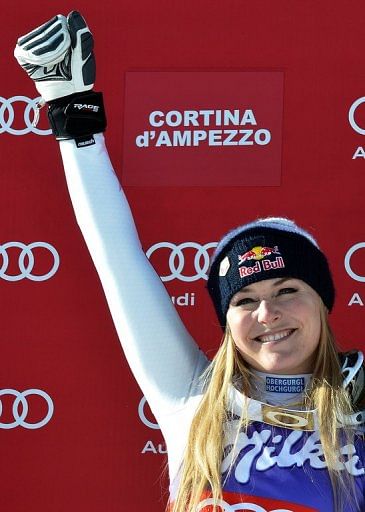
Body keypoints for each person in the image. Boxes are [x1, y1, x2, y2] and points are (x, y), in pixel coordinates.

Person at [14, 11, 365, 512]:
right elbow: (117, 260)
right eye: (245, 300)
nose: (267, 314)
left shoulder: (361, 411)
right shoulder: (194, 403)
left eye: (287, 290)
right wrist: (70, 109)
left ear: (322, 302)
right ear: (227, 320)